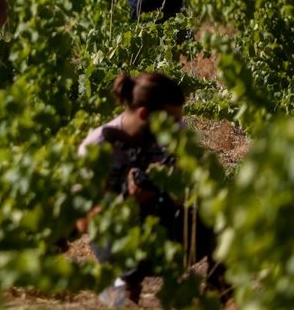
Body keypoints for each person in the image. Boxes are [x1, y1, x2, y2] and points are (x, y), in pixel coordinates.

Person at [77, 72, 228, 307]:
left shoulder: (174, 133)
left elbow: (194, 189)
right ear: (144, 114)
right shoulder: (98, 145)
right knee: (117, 299)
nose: (177, 127)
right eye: (171, 121)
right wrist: (127, 200)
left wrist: (173, 182)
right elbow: (83, 222)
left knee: (224, 222)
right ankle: (120, 291)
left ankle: (217, 300)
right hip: (118, 239)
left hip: (166, 229)